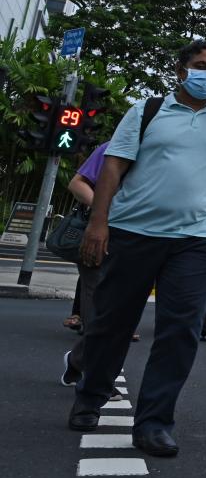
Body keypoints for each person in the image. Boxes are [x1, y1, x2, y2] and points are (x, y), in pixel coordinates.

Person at [68, 39, 206, 459]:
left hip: (196, 241)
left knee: (180, 331)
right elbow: (113, 165)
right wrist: (99, 223)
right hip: (134, 232)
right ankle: (90, 396)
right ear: (181, 70)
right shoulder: (147, 110)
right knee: (112, 322)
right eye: (200, 65)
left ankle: (154, 422)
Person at [59, 142, 128, 398]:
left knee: (119, 313)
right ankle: (97, 377)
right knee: (99, 307)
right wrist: (104, 212)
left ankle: (78, 360)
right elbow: (77, 183)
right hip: (98, 235)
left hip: (136, 243)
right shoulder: (114, 147)